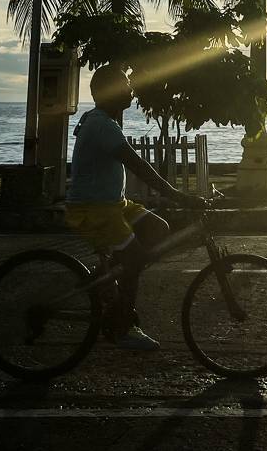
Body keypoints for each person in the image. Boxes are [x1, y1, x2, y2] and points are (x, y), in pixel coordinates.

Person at [65, 66, 202, 352]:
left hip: (113, 204)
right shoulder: (101, 124)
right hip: (95, 209)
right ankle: (123, 326)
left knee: (157, 228)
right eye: (125, 84)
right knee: (136, 259)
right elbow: (138, 165)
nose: (130, 89)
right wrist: (178, 195)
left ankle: (104, 279)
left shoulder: (104, 120)